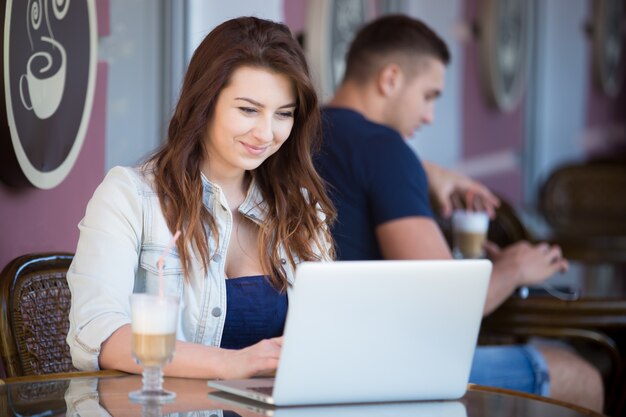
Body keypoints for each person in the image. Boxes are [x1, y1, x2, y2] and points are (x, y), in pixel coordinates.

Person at [315, 14, 604, 412]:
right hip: (381, 368)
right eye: (429, 95)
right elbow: (442, 307)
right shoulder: (385, 150)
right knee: (581, 375)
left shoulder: (298, 132)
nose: (430, 115)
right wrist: (514, 268)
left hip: (313, 359)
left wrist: (425, 170)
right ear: (391, 79)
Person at [66, 16, 335, 379]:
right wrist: (230, 363)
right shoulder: (131, 196)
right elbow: (97, 334)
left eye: (283, 114)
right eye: (248, 109)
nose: (266, 133)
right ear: (205, 102)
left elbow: (329, 332)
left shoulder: (300, 207)